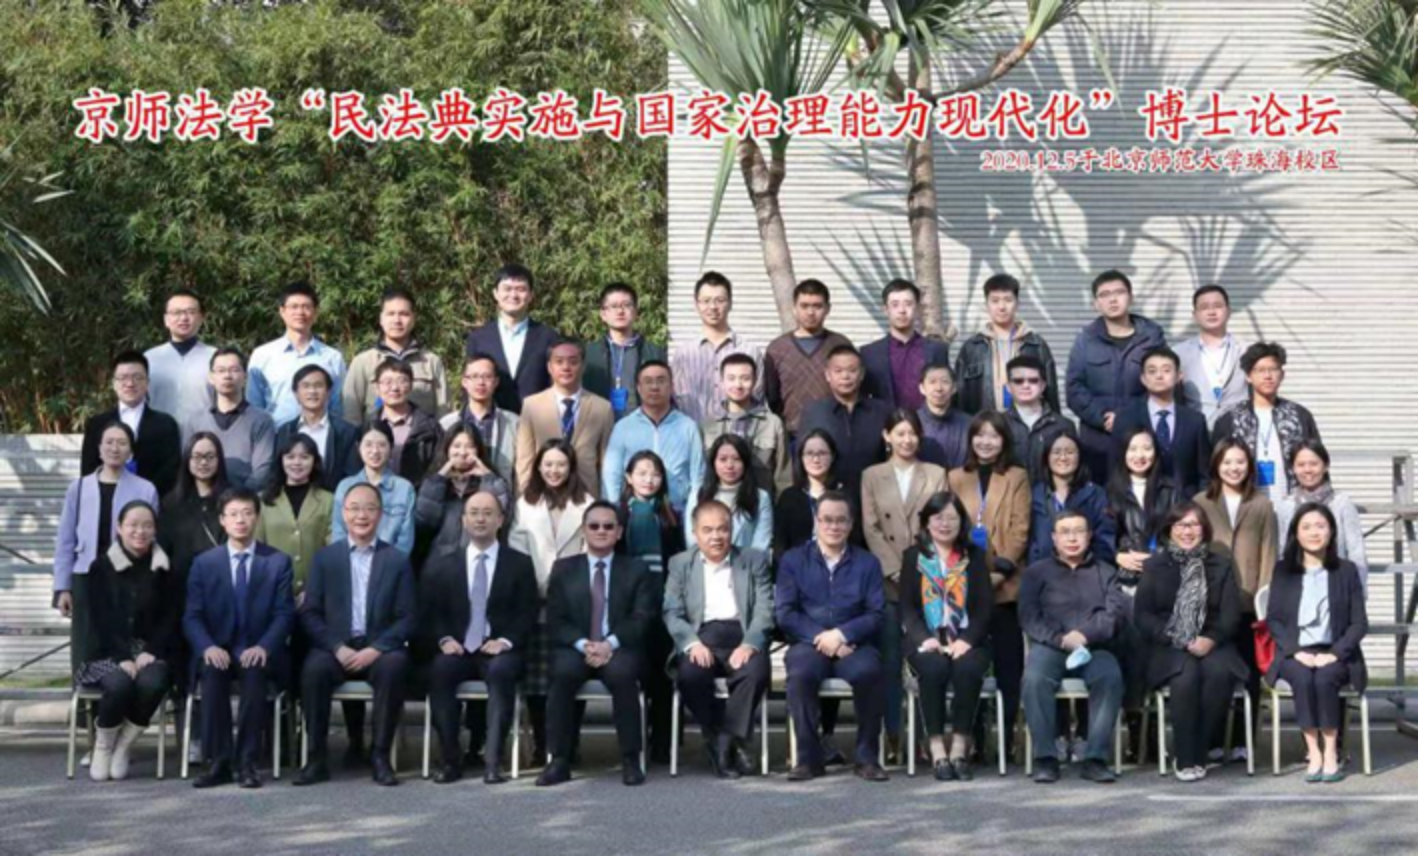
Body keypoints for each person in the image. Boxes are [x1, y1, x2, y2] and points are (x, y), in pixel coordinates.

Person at [294, 483, 416, 788]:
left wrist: (376, 649)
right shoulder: (325, 559)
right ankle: (316, 758)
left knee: (394, 667)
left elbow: (407, 617)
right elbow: (310, 613)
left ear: (381, 514)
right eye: (354, 508)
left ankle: (380, 755)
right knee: (313, 670)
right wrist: (336, 647)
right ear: (343, 513)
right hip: (336, 646)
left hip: (378, 647)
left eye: (370, 508)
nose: (362, 515)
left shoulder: (396, 560)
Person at [538, 502, 658, 788]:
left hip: (619, 647)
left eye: (608, 526)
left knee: (623, 675)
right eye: (594, 526)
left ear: (619, 532)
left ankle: (630, 759)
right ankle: (559, 760)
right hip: (577, 647)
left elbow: (642, 617)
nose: (601, 531)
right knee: (562, 674)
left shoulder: (636, 569)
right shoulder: (564, 569)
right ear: (584, 530)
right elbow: (556, 617)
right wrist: (584, 645)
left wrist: (609, 644)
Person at [184, 488, 296, 790]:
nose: (241, 520)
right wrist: (207, 647)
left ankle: (247, 762)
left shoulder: (277, 562)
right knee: (212, 673)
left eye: (247, 513)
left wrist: (264, 646)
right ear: (222, 520)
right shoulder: (204, 563)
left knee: (255, 673)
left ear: (257, 518)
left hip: (258, 648)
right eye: (233, 514)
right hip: (219, 647)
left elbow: (284, 614)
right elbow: (192, 615)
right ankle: (219, 761)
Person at [425, 492, 539, 785]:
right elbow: (432, 612)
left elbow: (527, 611)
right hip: (459, 647)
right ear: (463, 520)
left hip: (499, 649)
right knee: (439, 670)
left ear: (500, 520)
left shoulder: (519, 563)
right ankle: (450, 759)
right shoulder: (444, 564)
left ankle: (493, 761)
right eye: (474, 513)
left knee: (501, 672)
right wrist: (444, 639)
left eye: (488, 513)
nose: (480, 519)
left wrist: (506, 641)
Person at [776, 492, 889, 783]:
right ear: (816, 521)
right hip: (808, 642)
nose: (833, 526)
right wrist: (822, 637)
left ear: (851, 524)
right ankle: (808, 759)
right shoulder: (793, 560)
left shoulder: (867, 563)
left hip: (853, 643)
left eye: (841, 520)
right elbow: (786, 613)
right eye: (826, 519)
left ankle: (866, 758)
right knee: (800, 674)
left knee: (869, 673)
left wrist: (841, 634)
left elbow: (876, 614)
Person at [1134, 503, 1249, 782]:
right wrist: (1179, 636)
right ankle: (1186, 756)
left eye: (1194, 525)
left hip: (1213, 641)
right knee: (1185, 676)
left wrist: (1211, 639)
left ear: (1204, 529)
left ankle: (1201, 749)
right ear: (1170, 530)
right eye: (1181, 525)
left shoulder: (1220, 565)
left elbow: (1231, 614)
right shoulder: (1154, 566)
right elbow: (1144, 615)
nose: (1188, 531)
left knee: (1218, 673)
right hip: (1169, 643)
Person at [664, 501, 774, 779]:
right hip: (702, 637)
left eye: (723, 529)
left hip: (741, 634)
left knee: (756, 672)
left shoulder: (753, 560)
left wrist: (750, 643)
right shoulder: (680, 563)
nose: (716, 536)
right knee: (690, 675)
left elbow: (765, 609)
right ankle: (722, 736)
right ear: (695, 533)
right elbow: (672, 612)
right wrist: (691, 643)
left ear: (732, 530)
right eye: (708, 530)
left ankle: (723, 740)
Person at [861, 409, 948, 756]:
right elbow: (871, 528)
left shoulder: (936, 474)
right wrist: (895, 570)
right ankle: (893, 734)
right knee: (889, 661)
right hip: (887, 582)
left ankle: (928, 735)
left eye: (912, 433)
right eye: (899, 433)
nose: (907, 440)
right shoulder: (872, 475)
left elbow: (939, 523)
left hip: (927, 578)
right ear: (887, 436)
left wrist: (915, 570)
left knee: (927, 657)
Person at [1020, 510, 1129, 785]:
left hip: (1094, 647)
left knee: (1110, 675)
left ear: (1089, 536)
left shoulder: (1105, 572)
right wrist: (1060, 639)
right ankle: (1046, 758)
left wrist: (1084, 635)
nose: (1072, 538)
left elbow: (1115, 614)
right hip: (1051, 646)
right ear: (1054, 538)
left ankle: (1095, 759)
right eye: (1065, 532)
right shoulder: (1036, 573)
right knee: (1034, 678)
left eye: (1079, 531)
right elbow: (1029, 616)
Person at [76, 501, 180, 783]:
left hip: (150, 650)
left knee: (153, 682)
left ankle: (123, 745)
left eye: (147, 525)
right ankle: (103, 745)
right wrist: (122, 655)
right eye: (133, 525)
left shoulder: (165, 568)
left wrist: (151, 650)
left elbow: (170, 616)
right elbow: (100, 617)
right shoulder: (101, 567)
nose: (140, 531)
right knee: (119, 683)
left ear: (155, 530)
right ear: (119, 528)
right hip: (107, 650)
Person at [1266, 503, 1369, 784]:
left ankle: (1331, 752)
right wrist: (1296, 651)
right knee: (1302, 678)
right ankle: (1313, 752)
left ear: (1332, 531)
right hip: (1294, 652)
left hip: (1335, 651)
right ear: (1296, 534)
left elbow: (1359, 623)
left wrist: (1335, 653)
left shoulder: (1346, 570)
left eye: (1321, 526)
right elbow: (1274, 619)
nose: (1314, 533)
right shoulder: (1283, 570)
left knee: (1324, 679)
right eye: (1307, 527)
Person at [507, 439, 595, 762]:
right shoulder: (524, 504)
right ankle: (542, 743)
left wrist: (567, 587)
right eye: (548, 464)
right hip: (536, 601)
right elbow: (518, 552)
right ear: (538, 467)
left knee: (571, 673)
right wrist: (540, 586)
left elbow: (590, 551)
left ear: (571, 467)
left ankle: (571, 743)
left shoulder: (587, 503)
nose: (554, 470)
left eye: (560, 464)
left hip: (575, 602)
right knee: (538, 678)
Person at [949, 411, 1031, 753]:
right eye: (979, 435)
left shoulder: (1017, 476)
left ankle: (1008, 735)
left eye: (993, 435)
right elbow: (948, 526)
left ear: (1004, 440)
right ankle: (975, 738)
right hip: (966, 586)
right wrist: (973, 576)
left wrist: (1000, 569)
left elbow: (1020, 528)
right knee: (970, 666)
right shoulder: (955, 477)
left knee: (1009, 666)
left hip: (1006, 585)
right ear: (970, 439)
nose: (986, 442)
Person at [900, 492, 995, 782]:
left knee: (967, 669)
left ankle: (960, 747)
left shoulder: (973, 557)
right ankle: (937, 747)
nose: (945, 524)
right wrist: (924, 638)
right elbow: (907, 606)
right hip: (927, 638)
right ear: (927, 523)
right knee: (933, 668)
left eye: (952, 518)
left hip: (967, 638)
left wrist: (967, 640)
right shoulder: (914, 557)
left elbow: (984, 607)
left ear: (961, 523)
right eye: (938, 518)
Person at [55, 423, 162, 677]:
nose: (115, 448)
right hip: (85, 576)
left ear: (131, 452)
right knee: (85, 645)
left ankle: (122, 697)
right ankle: (81, 700)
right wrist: (63, 587)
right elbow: (65, 540)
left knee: (121, 643)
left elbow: (152, 537)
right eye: (109, 442)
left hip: (128, 577)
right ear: (99, 448)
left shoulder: (145, 489)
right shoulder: (78, 488)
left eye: (122, 443)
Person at [1195, 440, 1278, 763]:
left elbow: (1269, 552)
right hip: (1211, 604)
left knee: (1248, 673)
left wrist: (1263, 598)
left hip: (1248, 601)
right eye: (1227, 462)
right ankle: (1214, 739)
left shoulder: (1261, 504)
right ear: (1216, 465)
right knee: (1214, 672)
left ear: (1249, 465)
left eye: (1240, 462)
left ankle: (1244, 740)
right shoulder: (1201, 502)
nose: (1234, 468)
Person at [1066, 270, 1168, 484]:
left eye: (1119, 292)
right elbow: (1074, 389)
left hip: (1142, 436)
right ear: (1096, 303)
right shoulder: (1085, 340)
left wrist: (1126, 418)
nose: (1113, 299)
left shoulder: (1151, 337)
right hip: (1097, 440)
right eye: (1105, 295)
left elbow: (1163, 384)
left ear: (1131, 297)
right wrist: (1102, 418)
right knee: (1100, 497)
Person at [1214, 342, 1323, 506]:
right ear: (1248, 376)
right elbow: (1215, 469)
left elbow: (1317, 461)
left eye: (1273, 369)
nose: (1267, 376)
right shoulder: (1230, 419)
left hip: (1294, 505)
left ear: (1282, 375)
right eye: (1260, 370)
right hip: (1245, 508)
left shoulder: (1300, 416)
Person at [514, 339, 614, 497]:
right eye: (559, 362)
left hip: (586, 496)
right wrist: (524, 498)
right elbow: (524, 460)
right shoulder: (532, 405)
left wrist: (605, 501)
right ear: (549, 367)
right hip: (544, 495)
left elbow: (607, 463)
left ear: (583, 366)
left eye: (573, 362)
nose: (566, 367)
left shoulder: (602, 408)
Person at [601, 361, 704, 513]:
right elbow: (612, 475)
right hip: (633, 513)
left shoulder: (688, 427)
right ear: (639, 388)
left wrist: (692, 517)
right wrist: (612, 513)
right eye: (648, 381)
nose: (655, 387)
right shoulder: (623, 428)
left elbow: (698, 478)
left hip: (677, 513)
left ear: (671, 387)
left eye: (661, 381)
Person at [1111, 347, 1212, 498]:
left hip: (1185, 505)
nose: (1159, 376)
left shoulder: (1195, 420)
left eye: (1166, 370)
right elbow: (1115, 467)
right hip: (1138, 504)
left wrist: (1198, 505)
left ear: (1179, 376)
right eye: (1152, 371)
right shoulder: (1126, 418)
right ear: (1143, 378)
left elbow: (1205, 473)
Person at [80, 351, 183, 499]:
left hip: (152, 502)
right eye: (123, 378)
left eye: (137, 377)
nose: (130, 384)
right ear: (114, 384)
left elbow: (171, 470)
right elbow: (88, 469)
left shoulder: (166, 424)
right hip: (106, 500)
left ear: (147, 383)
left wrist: (145, 495)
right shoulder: (97, 424)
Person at [955, 274, 1061, 415]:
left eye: (1008, 300)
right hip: (985, 424)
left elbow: (1051, 393)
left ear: (1017, 303)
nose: (1002, 307)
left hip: (1028, 423)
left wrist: (1054, 423)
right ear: (986, 305)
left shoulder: (1036, 345)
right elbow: (960, 396)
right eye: (995, 301)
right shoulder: (971, 348)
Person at [463, 264, 561, 415]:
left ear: (531, 295)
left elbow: (557, 384)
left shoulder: (548, 337)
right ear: (495, 293)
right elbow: (469, 385)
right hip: (492, 421)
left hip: (537, 420)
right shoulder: (479, 338)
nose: (513, 295)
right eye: (507, 289)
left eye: (520, 289)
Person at [797, 345, 893, 499]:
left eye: (852, 370)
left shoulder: (881, 411)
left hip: (874, 496)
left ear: (862, 374)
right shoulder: (814, 412)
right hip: (827, 499)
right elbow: (801, 458)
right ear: (827, 375)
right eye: (838, 371)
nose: (845, 376)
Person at [670, 271, 765, 425]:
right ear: (696, 305)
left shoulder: (750, 352)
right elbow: (673, 401)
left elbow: (758, 400)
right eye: (706, 301)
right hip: (694, 436)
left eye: (720, 300)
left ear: (730, 303)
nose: (713, 307)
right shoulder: (683, 354)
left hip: (740, 436)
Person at [247, 281, 347, 426]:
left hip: (319, 435)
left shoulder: (332, 357)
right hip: (275, 435)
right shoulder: (262, 355)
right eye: (294, 307)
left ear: (315, 312)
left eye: (306, 307)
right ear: (282, 311)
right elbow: (254, 405)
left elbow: (337, 406)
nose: (300, 312)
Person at [343, 288, 450, 423]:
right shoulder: (363, 362)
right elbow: (351, 414)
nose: (397, 320)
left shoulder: (431, 362)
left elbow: (444, 412)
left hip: (423, 435)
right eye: (391, 314)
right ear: (381, 319)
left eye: (404, 314)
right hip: (376, 436)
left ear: (413, 319)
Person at [763, 280, 854, 437]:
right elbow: (771, 397)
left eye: (817, 306)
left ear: (827, 309)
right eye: (804, 306)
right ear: (794, 308)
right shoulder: (777, 349)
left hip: (834, 433)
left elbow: (854, 390)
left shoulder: (840, 344)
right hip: (791, 434)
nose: (810, 312)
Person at [1276, 439, 1369, 590]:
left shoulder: (1341, 503)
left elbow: (1356, 551)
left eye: (1313, 464)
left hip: (1336, 585)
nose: (1307, 470)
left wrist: (1359, 590)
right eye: (1301, 465)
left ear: (1325, 466)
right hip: (1296, 586)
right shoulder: (1286, 506)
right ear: (1293, 468)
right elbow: (1281, 550)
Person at [415, 424, 513, 562]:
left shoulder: (490, 481)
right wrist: (439, 479)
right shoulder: (433, 482)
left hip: (479, 561)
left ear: (478, 450)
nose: (462, 452)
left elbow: (502, 516)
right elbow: (425, 521)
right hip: (440, 563)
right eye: (456, 446)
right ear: (447, 449)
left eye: (470, 446)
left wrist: (488, 477)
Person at [701, 353, 791, 500]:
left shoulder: (772, 423)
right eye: (731, 378)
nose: (738, 385)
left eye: (745, 378)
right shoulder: (707, 425)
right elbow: (701, 473)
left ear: (755, 381)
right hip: (718, 505)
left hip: (761, 505)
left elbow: (784, 477)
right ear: (722, 382)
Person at [185, 347, 276, 492]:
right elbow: (188, 465)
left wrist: (236, 498)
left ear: (245, 377)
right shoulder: (196, 421)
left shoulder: (262, 420)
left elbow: (262, 471)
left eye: (234, 370)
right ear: (211, 377)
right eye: (221, 370)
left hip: (245, 500)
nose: (227, 375)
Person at [254, 433, 334, 595]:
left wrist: (314, 589)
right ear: (281, 460)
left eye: (304, 457)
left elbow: (332, 550)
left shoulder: (328, 500)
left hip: (315, 592)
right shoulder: (263, 500)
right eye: (290, 457)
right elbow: (256, 548)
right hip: (272, 590)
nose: (297, 462)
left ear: (314, 461)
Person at [862, 279, 951, 413]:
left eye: (908, 304)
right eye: (895, 305)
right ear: (886, 310)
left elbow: (947, 391)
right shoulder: (869, 353)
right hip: (885, 423)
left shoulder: (937, 350)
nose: (902, 310)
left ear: (918, 308)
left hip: (928, 424)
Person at [1029, 431, 1117, 566]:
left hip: (1087, 570)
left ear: (1080, 457)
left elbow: (1105, 539)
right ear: (1046, 457)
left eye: (1070, 452)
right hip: (1044, 571)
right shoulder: (1036, 494)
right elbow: (1031, 541)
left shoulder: (1096, 494)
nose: (1063, 457)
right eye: (1056, 452)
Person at [582, 283, 667, 420]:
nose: (620, 311)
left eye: (626, 305)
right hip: (600, 425)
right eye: (614, 306)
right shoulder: (589, 353)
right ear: (603, 314)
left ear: (636, 312)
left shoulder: (654, 353)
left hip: (642, 426)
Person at [441, 353, 521, 496]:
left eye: (487, 376)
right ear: (464, 382)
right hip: (456, 500)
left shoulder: (514, 423)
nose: (481, 382)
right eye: (474, 376)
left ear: (496, 382)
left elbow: (521, 471)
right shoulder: (446, 424)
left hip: (499, 500)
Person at [332, 423, 417, 557]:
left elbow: (405, 541)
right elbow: (338, 532)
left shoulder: (404, 489)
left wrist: (387, 565)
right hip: (351, 563)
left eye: (382, 445)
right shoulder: (345, 486)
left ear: (391, 448)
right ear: (358, 447)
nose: (375, 451)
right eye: (368, 444)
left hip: (390, 565)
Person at [273, 365, 361, 492]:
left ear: (329, 392)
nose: (312, 391)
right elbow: (277, 473)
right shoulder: (285, 431)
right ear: (296, 394)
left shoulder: (346, 432)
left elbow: (352, 476)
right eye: (306, 386)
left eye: (318, 385)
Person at [1176, 285, 1252, 429]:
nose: (1211, 312)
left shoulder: (1246, 350)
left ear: (1228, 312)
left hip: (1239, 430)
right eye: (1204, 307)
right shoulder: (1179, 353)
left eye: (1217, 306)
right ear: (1195, 315)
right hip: (1196, 431)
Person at [1107, 428, 1178, 582]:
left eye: (1146, 448)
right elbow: (1104, 535)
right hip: (1125, 576)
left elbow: (1179, 534)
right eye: (1132, 449)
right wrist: (1116, 555)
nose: (1139, 455)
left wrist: (1159, 557)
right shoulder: (1110, 492)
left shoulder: (1170, 489)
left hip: (1164, 573)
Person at [685, 435, 773, 553]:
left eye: (736, 459)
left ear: (745, 462)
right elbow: (692, 541)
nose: (729, 465)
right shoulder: (698, 495)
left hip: (747, 563)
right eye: (723, 459)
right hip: (704, 562)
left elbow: (761, 543)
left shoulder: (760, 497)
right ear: (713, 462)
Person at [775, 430, 856, 558]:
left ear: (833, 456)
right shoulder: (789, 497)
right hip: (798, 566)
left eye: (822, 453)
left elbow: (856, 540)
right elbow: (780, 545)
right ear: (801, 458)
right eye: (809, 453)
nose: (816, 459)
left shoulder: (846, 496)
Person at [145, 289, 217, 431]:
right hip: (158, 438)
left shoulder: (216, 358)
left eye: (190, 312)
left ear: (201, 318)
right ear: (166, 319)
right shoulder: (149, 359)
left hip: (205, 439)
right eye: (176, 312)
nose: (184, 318)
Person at [366, 359, 444, 488]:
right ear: (377, 388)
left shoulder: (431, 429)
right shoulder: (367, 427)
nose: (395, 388)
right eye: (387, 382)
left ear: (411, 386)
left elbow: (437, 469)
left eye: (402, 381)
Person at [1004, 355, 1073, 486]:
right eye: (1018, 381)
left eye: (1033, 380)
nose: (1026, 385)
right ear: (1008, 387)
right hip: (1011, 496)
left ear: (1043, 385)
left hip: (1050, 497)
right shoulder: (999, 424)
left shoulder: (1063, 425)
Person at [916, 363, 974, 471]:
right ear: (922, 388)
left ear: (954, 388)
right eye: (932, 382)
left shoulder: (969, 423)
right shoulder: (912, 422)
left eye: (945, 381)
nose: (939, 388)